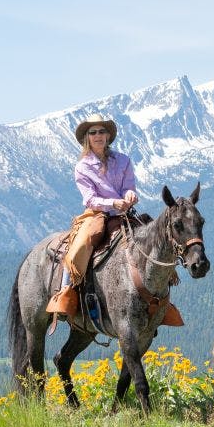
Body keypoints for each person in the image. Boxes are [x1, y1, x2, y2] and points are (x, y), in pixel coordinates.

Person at [46, 114, 138, 318]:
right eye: (93, 132)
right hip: (96, 213)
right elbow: (90, 199)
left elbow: (128, 187)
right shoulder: (83, 167)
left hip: (123, 212)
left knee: (152, 235)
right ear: (87, 138)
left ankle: (160, 298)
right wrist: (112, 203)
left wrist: (130, 195)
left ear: (108, 136)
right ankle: (65, 292)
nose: (98, 135)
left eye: (102, 131)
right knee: (82, 243)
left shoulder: (123, 160)